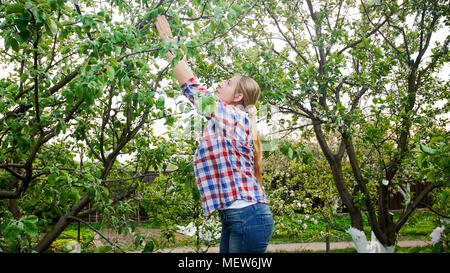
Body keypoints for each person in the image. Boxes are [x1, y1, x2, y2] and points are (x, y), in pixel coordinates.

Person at [155, 15, 273, 253]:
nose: (220, 85)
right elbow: (199, 93)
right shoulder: (223, 122)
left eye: (227, 83)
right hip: (235, 217)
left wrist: (171, 47)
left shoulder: (236, 117)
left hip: (248, 217)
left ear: (238, 97)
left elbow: (195, 91)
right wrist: (179, 55)